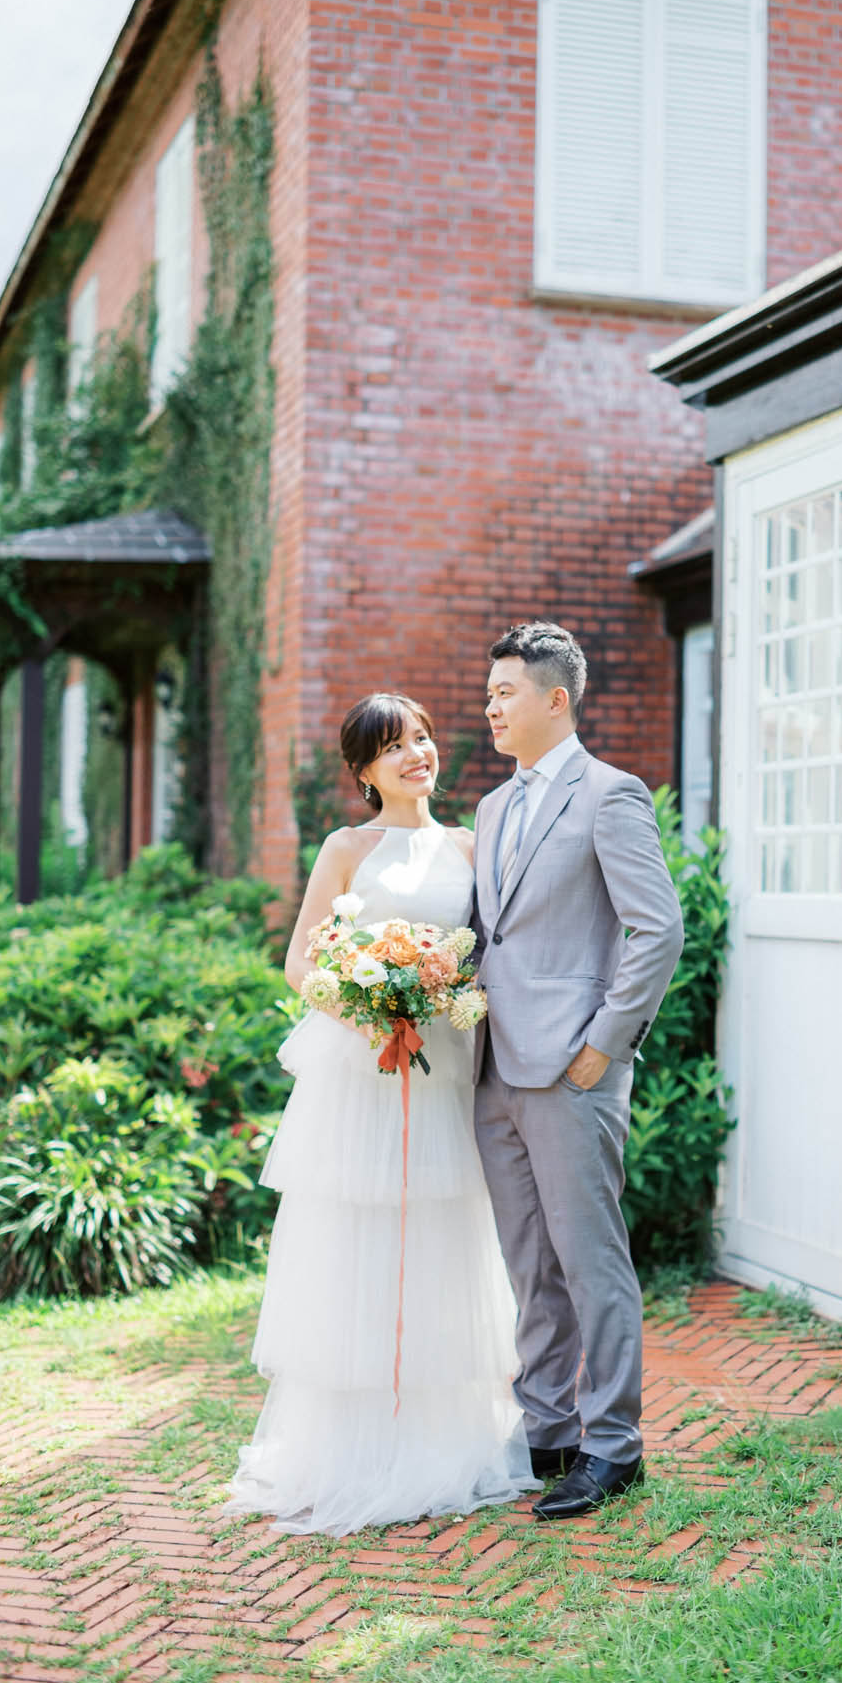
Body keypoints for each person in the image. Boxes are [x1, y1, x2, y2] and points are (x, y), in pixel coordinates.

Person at [224, 693, 536, 1535]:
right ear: (363, 770)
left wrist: (441, 991)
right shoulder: (347, 848)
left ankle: (441, 1441)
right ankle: (353, 1448)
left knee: (441, 1236)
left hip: (443, 1073)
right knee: (360, 1238)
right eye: (395, 747)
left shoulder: (473, 844)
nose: (417, 755)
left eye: (425, 739)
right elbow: (301, 961)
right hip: (364, 1076)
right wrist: (370, 1001)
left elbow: (491, 956)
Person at [472, 622, 684, 1520]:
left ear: (555, 700)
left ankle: (614, 1447)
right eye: (488, 694)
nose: (489, 706)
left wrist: (606, 1042)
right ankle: (548, 1429)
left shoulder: (611, 796)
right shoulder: (489, 808)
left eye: (505, 693)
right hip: (493, 1070)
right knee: (530, 1265)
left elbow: (658, 928)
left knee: (591, 1262)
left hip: (573, 1070)